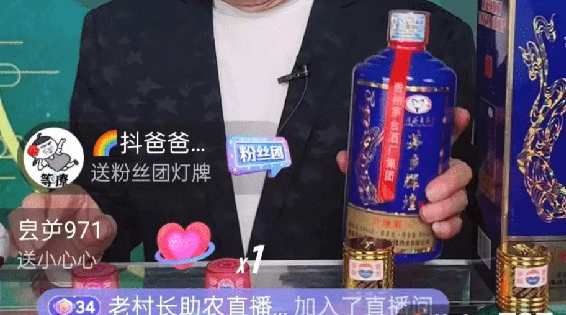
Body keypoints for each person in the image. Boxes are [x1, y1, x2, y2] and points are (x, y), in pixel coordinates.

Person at [8, 0, 476, 263]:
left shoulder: (426, 40)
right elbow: (107, 207)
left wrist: (447, 203)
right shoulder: (118, 31)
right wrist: (81, 231)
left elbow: (468, 239)